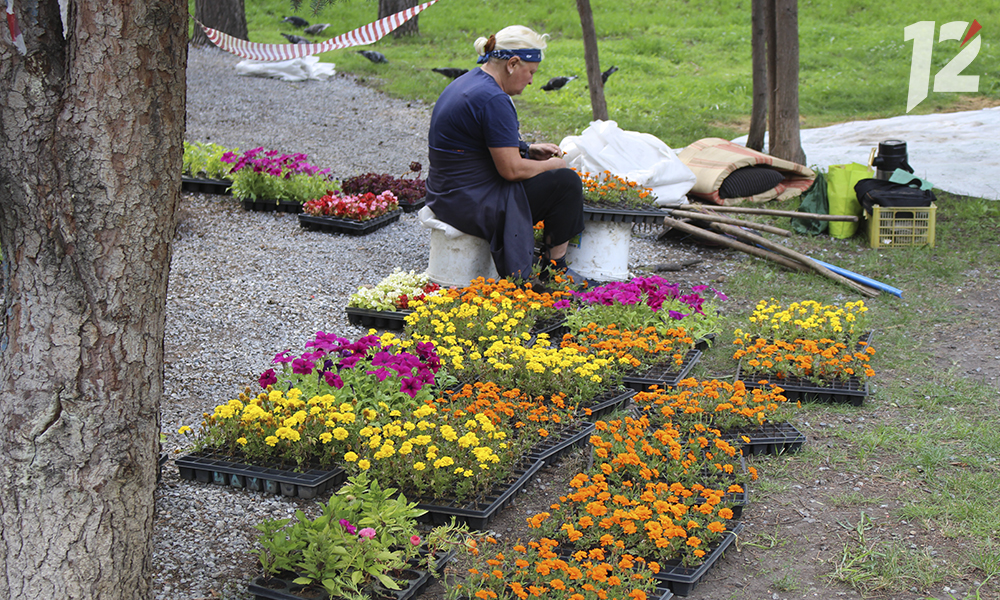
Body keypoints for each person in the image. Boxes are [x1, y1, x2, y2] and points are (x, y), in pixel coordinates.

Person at [424, 25, 591, 287]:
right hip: (470, 203)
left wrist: (528, 149)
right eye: (531, 72)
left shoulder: (468, 81)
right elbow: (510, 171)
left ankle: (548, 263)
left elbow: (478, 143)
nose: (532, 81)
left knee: (551, 175)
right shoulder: (494, 99)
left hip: (446, 193)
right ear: (513, 64)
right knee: (565, 182)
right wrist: (552, 165)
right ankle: (555, 270)